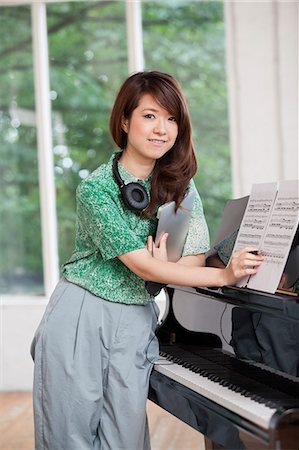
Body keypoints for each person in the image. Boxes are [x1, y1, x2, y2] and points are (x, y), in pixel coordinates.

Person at [30, 70, 263, 450]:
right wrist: (222, 275)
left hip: (136, 318)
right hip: (81, 315)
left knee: (126, 440)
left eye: (172, 119)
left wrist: (172, 265)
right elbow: (144, 266)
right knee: (68, 438)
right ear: (125, 121)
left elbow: (190, 264)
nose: (162, 129)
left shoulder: (183, 192)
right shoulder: (96, 188)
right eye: (150, 115)